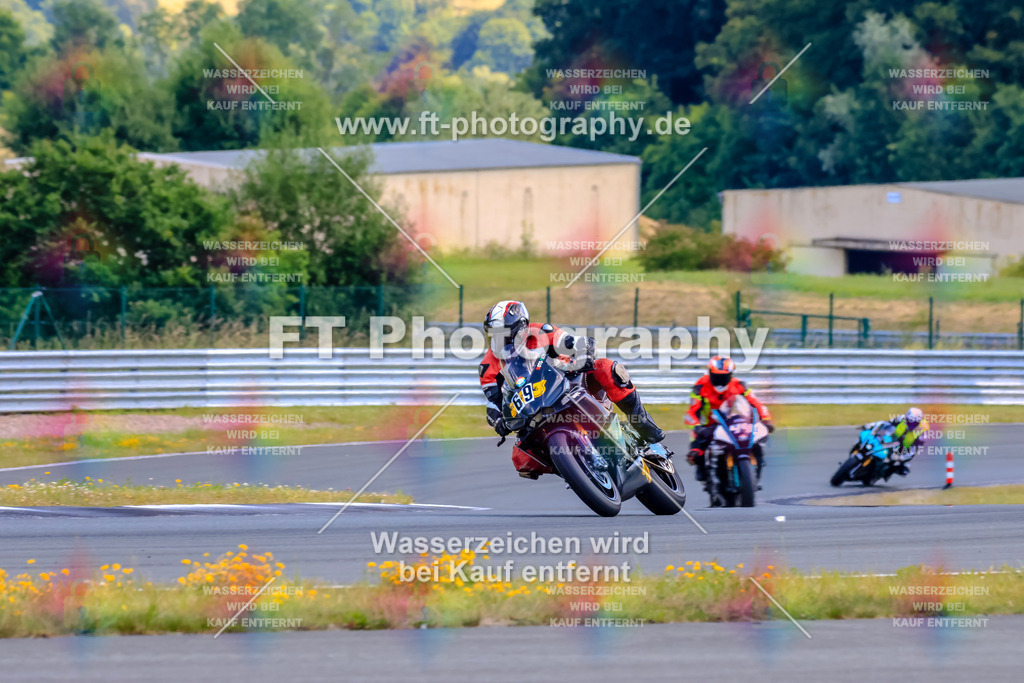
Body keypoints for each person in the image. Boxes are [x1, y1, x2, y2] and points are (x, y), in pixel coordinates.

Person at [478, 300, 666, 444]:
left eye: (503, 333)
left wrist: (585, 355)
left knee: (607, 368)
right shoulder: (487, 366)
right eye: (493, 335)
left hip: (569, 382)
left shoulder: (542, 332)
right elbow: (493, 404)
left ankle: (643, 424)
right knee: (522, 459)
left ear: (521, 328)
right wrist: (498, 422)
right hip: (533, 410)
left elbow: (575, 343)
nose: (498, 340)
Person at [684, 356, 774, 484]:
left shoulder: (740, 385)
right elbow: (691, 412)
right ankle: (705, 472)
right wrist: (696, 426)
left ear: (730, 374)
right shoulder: (700, 387)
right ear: (710, 373)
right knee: (697, 451)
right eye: (716, 376)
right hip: (710, 425)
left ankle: (756, 468)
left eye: (724, 376)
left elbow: (756, 403)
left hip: (735, 421)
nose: (720, 380)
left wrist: (766, 420)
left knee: (755, 441)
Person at [866, 407, 929, 480]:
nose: (911, 424)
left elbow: (914, 449)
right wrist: (873, 425)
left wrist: (902, 458)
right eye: (909, 421)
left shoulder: (922, 431)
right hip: (893, 439)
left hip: (906, 448)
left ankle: (887, 472)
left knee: (903, 469)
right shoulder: (901, 418)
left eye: (914, 423)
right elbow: (886, 423)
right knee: (878, 440)